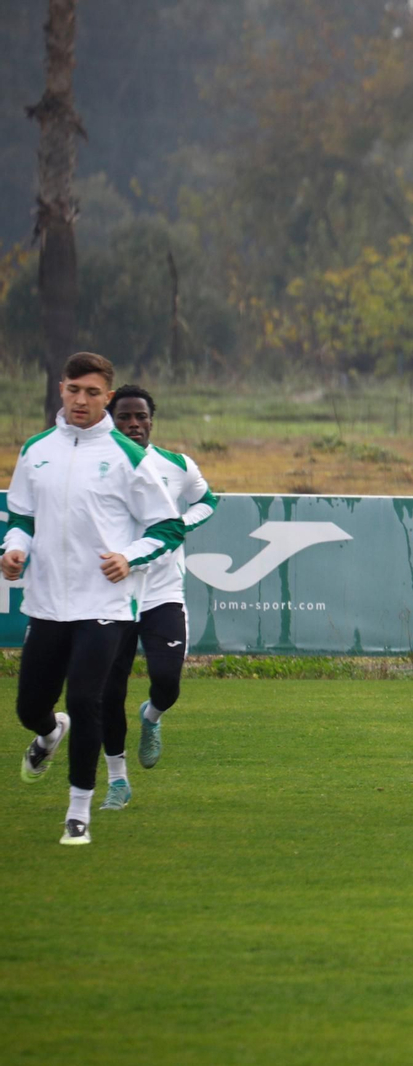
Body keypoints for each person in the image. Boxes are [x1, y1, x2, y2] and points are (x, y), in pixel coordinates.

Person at [6, 352, 183, 845]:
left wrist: (129, 556)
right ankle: (46, 732)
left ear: (106, 396)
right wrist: (15, 549)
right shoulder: (36, 449)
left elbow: (167, 526)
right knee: (29, 708)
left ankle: (77, 812)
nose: (80, 400)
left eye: (91, 392)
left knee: (86, 700)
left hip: (105, 605)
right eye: (73, 390)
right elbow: (21, 518)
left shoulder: (128, 456)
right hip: (46, 604)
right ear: (60, 389)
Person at [99, 385, 219, 790]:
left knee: (167, 682)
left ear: (152, 420)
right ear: (110, 418)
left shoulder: (176, 465)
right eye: (124, 417)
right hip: (112, 594)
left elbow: (207, 501)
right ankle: (117, 779)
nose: (134, 424)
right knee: (108, 692)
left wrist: (178, 526)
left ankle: (151, 717)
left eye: (141, 417)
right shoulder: (97, 464)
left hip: (163, 592)